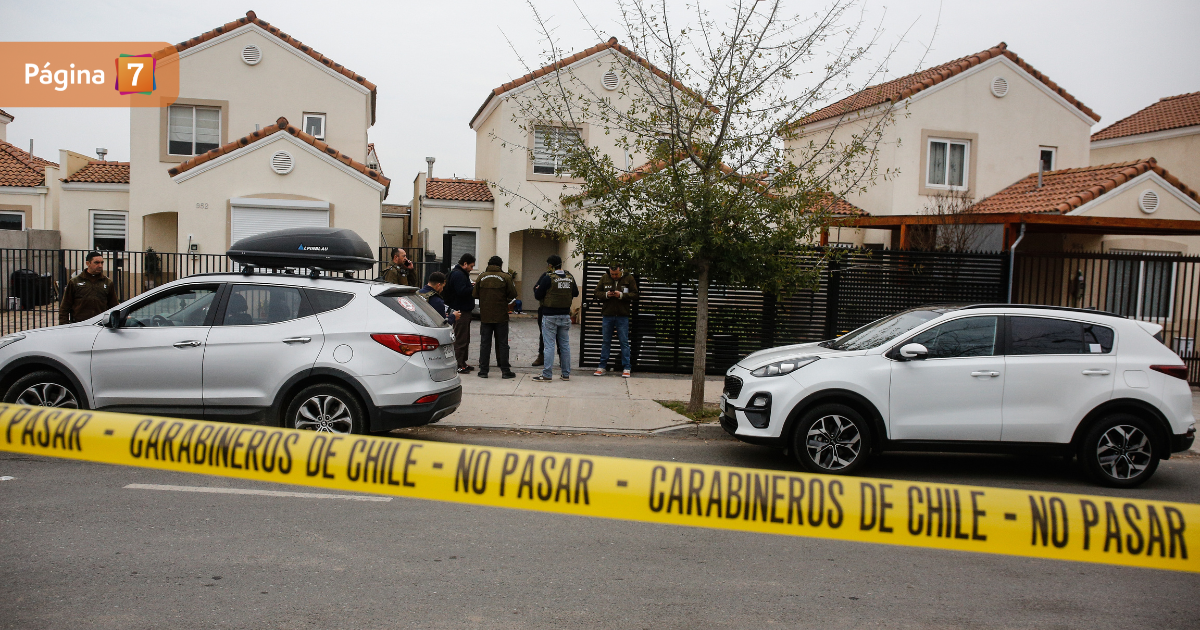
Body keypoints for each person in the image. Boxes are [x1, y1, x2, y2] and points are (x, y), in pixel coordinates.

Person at [532, 254, 578, 382]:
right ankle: (566, 374)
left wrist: (537, 289)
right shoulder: (569, 277)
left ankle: (547, 374)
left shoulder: (548, 278)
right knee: (565, 346)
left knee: (549, 346)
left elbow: (538, 295)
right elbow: (575, 293)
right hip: (565, 315)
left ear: (550, 265)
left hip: (550, 315)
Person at [471, 256, 517, 379]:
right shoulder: (506, 277)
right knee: (503, 344)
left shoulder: (481, 276)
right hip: (501, 315)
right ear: (500, 265)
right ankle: (505, 371)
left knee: (485, 344)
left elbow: (474, 294)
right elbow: (513, 293)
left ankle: (483, 371)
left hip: (485, 316)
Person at [593, 264, 638, 378]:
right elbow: (596, 292)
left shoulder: (629, 278)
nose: (614, 276)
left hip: (622, 315)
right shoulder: (605, 277)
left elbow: (635, 294)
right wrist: (606, 295)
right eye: (612, 274)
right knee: (606, 341)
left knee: (624, 342)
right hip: (608, 314)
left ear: (621, 271)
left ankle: (627, 367)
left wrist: (621, 295)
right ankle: (602, 366)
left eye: (616, 274)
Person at [59, 251, 119, 324]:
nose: (100, 265)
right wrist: (63, 324)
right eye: (96, 263)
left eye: (102, 263)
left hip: (100, 324)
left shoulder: (107, 282)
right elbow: (65, 306)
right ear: (88, 263)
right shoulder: (75, 282)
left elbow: (114, 305)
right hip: (80, 324)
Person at [444, 253, 476, 373]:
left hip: (463, 309)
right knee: (460, 338)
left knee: (464, 338)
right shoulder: (459, 275)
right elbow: (461, 291)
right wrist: (473, 288)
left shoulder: (459, 273)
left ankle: (463, 362)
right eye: (471, 266)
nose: (471, 269)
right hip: (461, 310)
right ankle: (458, 364)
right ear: (465, 264)